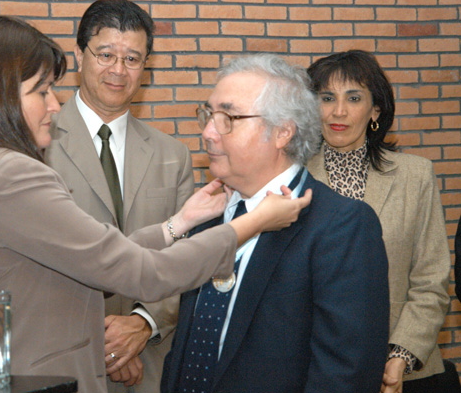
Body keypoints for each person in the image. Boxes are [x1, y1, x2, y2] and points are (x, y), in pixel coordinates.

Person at [0, 16, 312, 393]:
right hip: (42, 380)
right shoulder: (12, 174)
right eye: (41, 92)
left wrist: (178, 223)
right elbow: (141, 272)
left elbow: (94, 255)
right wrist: (252, 223)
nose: (54, 106)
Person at [161, 54, 390, 393]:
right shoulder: (207, 216)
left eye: (228, 118)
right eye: (209, 115)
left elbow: (344, 375)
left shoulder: (341, 227)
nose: (209, 132)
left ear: (283, 132)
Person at [44, 0, 189, 391]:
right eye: (106, 54)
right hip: (63, 361)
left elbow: (188, 257)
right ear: (79, 55)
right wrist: (106, 345)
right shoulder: (37, 144)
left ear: (146, 67)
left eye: (132, 59)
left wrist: (142, 325)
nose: (118, 71)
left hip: (152, 364)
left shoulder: (173, 155)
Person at [306, 50, 453, 393]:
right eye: (326, 98)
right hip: (317, 370)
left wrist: (400, 355)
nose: (338, 111)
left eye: (353, 98)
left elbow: (431, 281)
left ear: (375, 110)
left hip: (404, 371)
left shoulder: (416, 176)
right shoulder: (290, 178)